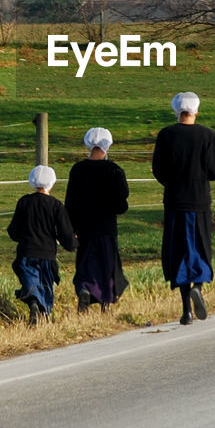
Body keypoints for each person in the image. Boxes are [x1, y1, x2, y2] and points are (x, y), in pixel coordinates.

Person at [152, 91, 215, 325]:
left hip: (175, 202)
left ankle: (186, 311)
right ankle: (199, 287)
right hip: (200, 201)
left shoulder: (166, 135)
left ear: (176, 111)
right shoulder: (207, 135)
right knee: (201, 246)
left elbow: (158, 170)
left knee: (179, 251)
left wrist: (173, 182)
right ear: (196, 111)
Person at [64, 127, 131, 313]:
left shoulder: (78, 170)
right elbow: (121, 204)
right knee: (107, 267)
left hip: (84, 228)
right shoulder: (114, 170)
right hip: (106, 228)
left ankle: (84, 289)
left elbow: (70, 202)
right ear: (107, 145)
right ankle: (105, 303)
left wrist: (72, 227)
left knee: (86, 263)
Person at [7, 165, 76, 325]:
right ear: (52, 183)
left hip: (26, 252)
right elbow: (65, 232)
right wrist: (73, 243)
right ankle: (42, 312)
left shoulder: (24, 202)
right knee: (45, 286)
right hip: (47, 254)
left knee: (30, 281)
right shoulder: (56, 205)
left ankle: (32, 301)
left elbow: (14, 230)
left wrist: (20, 236)